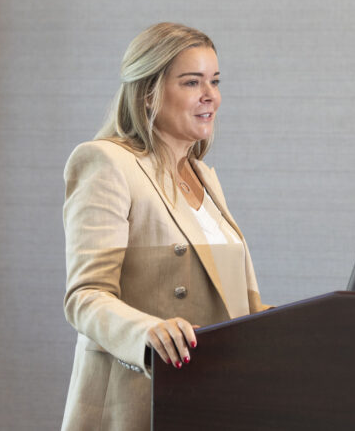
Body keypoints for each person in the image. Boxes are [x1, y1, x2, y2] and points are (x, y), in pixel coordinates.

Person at [61, 22, 271, 430]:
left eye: (214, 80)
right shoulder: (107, 164)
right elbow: (85, 297)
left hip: (211, 400)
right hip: (138, 406)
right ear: (149, 92)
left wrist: (300, 326)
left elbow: (238, 306)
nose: (211, 96)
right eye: (192, 82)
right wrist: (149, 331)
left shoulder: (205, 177)